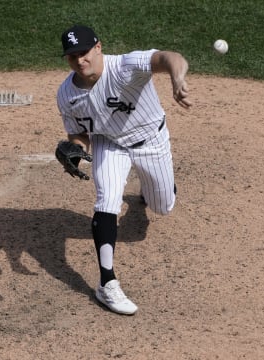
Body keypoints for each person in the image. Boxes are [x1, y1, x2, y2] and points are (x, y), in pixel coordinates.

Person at [57, 24, 192, 315]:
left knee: (163, 206)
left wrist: (177, 79)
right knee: (106, 200)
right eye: (72, 57)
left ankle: (148, 194)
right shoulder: (67, 94)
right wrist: (76, 149)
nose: (80, 61)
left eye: (84, 53)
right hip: (109, 142)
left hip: (151, 140)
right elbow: (80, 134)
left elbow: (170, 57)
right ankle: (107, 283)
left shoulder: (125, 67)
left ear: (98, 48)